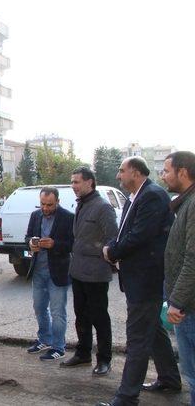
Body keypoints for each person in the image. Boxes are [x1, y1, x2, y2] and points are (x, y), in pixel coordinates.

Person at [97, 157, 181, 406]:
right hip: (139, 278)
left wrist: (112, 252)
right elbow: (125, 232)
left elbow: (140, 236)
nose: (118, 176)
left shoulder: (152, 195)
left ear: (135, 172)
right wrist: (112, 245)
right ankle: (169, 378)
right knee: (153, 330)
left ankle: (126, 397)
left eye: (121, 171)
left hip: (146, 279)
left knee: (137, 340)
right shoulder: (138, 196)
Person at [61, 167, 118, 375]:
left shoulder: (102, 207)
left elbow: (113, 238)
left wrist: (101, 256)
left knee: (99, 317)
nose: (73, 186)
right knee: (81, 315)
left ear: (90, 182)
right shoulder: (82, 204)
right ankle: (83, 353)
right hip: (78, 272)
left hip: (96, 274)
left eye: (77, 182)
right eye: (72, 182)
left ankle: (104, 359)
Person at [160, 151, 195, 405]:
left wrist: (177, 301)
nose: (164, 176)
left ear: (182, 172)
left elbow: (193, 258)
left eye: (166, 170)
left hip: (189, 308)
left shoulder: (193, 204)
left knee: (193, 374)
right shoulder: (186, 202)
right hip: (187, 306)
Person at [25, 186, 74, 361]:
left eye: (50, 205)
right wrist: (31, 242)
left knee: (57, 312)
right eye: (42, 204)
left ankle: (58, 347)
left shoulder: (68, 217)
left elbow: (73, 244)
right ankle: (44, 339)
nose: (45, 208)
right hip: (38, 270)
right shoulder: (35, 215)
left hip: (58, 272)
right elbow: (27, 237)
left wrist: (54, 244)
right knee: (39, 308)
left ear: (58, 202)